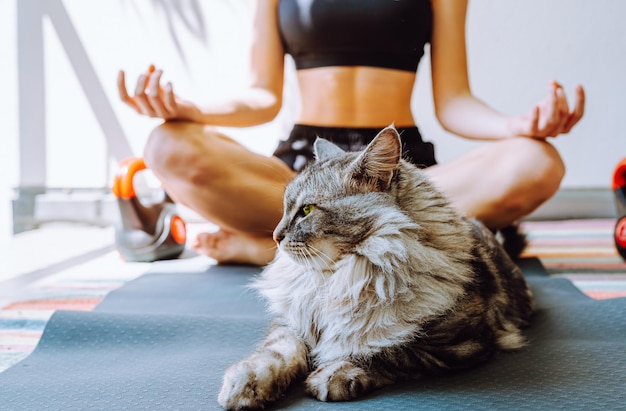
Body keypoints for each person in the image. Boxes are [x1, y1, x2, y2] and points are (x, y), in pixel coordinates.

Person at [118, 0, 585, 266]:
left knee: (537, 162)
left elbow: (454, 101)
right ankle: (364, 248)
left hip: (398, 173)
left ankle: (276, 251)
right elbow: (262, 96)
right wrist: (191, 109)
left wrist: (516, 127)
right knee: (167, 143)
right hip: (305, 168)